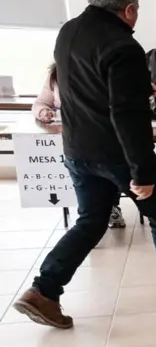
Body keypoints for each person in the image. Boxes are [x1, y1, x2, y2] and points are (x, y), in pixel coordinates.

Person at [14, 0, 156, 330]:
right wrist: (142, 172)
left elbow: (89, 89)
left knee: (90, 221)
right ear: (130, 8)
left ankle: (43, 291)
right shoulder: (124, 46)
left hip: (77, 149)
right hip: (116, 152)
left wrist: (137, 88)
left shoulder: (68, 31)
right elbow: (126, 113)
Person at [33, 63, 126, 230]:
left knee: (111, 171)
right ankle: (92, 215)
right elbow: (40, 102)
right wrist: (43, 112)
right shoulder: (56, 74)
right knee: (86, 183)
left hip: (104, 134)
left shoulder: (99, 68)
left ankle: (111, 207)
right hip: (73, 137)